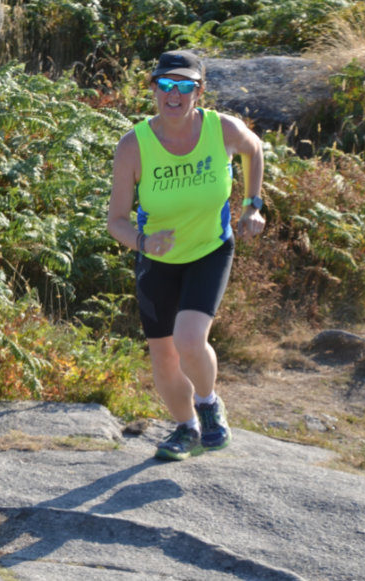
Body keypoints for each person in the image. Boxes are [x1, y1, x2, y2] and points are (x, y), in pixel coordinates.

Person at [106, 50, 265, 461]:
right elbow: (117, 221)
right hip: (156, 261)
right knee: (164, 355)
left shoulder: (221, 129)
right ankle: (186, 428)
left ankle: (209, 404)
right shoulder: (133, 146)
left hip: (209, 250)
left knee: (189, 339)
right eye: (165, 85)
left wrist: (253, 205)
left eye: (184, 86)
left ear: (200, 91)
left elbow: (255, 149)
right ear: (153, 89)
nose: (173, 94)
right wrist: (144, 243)